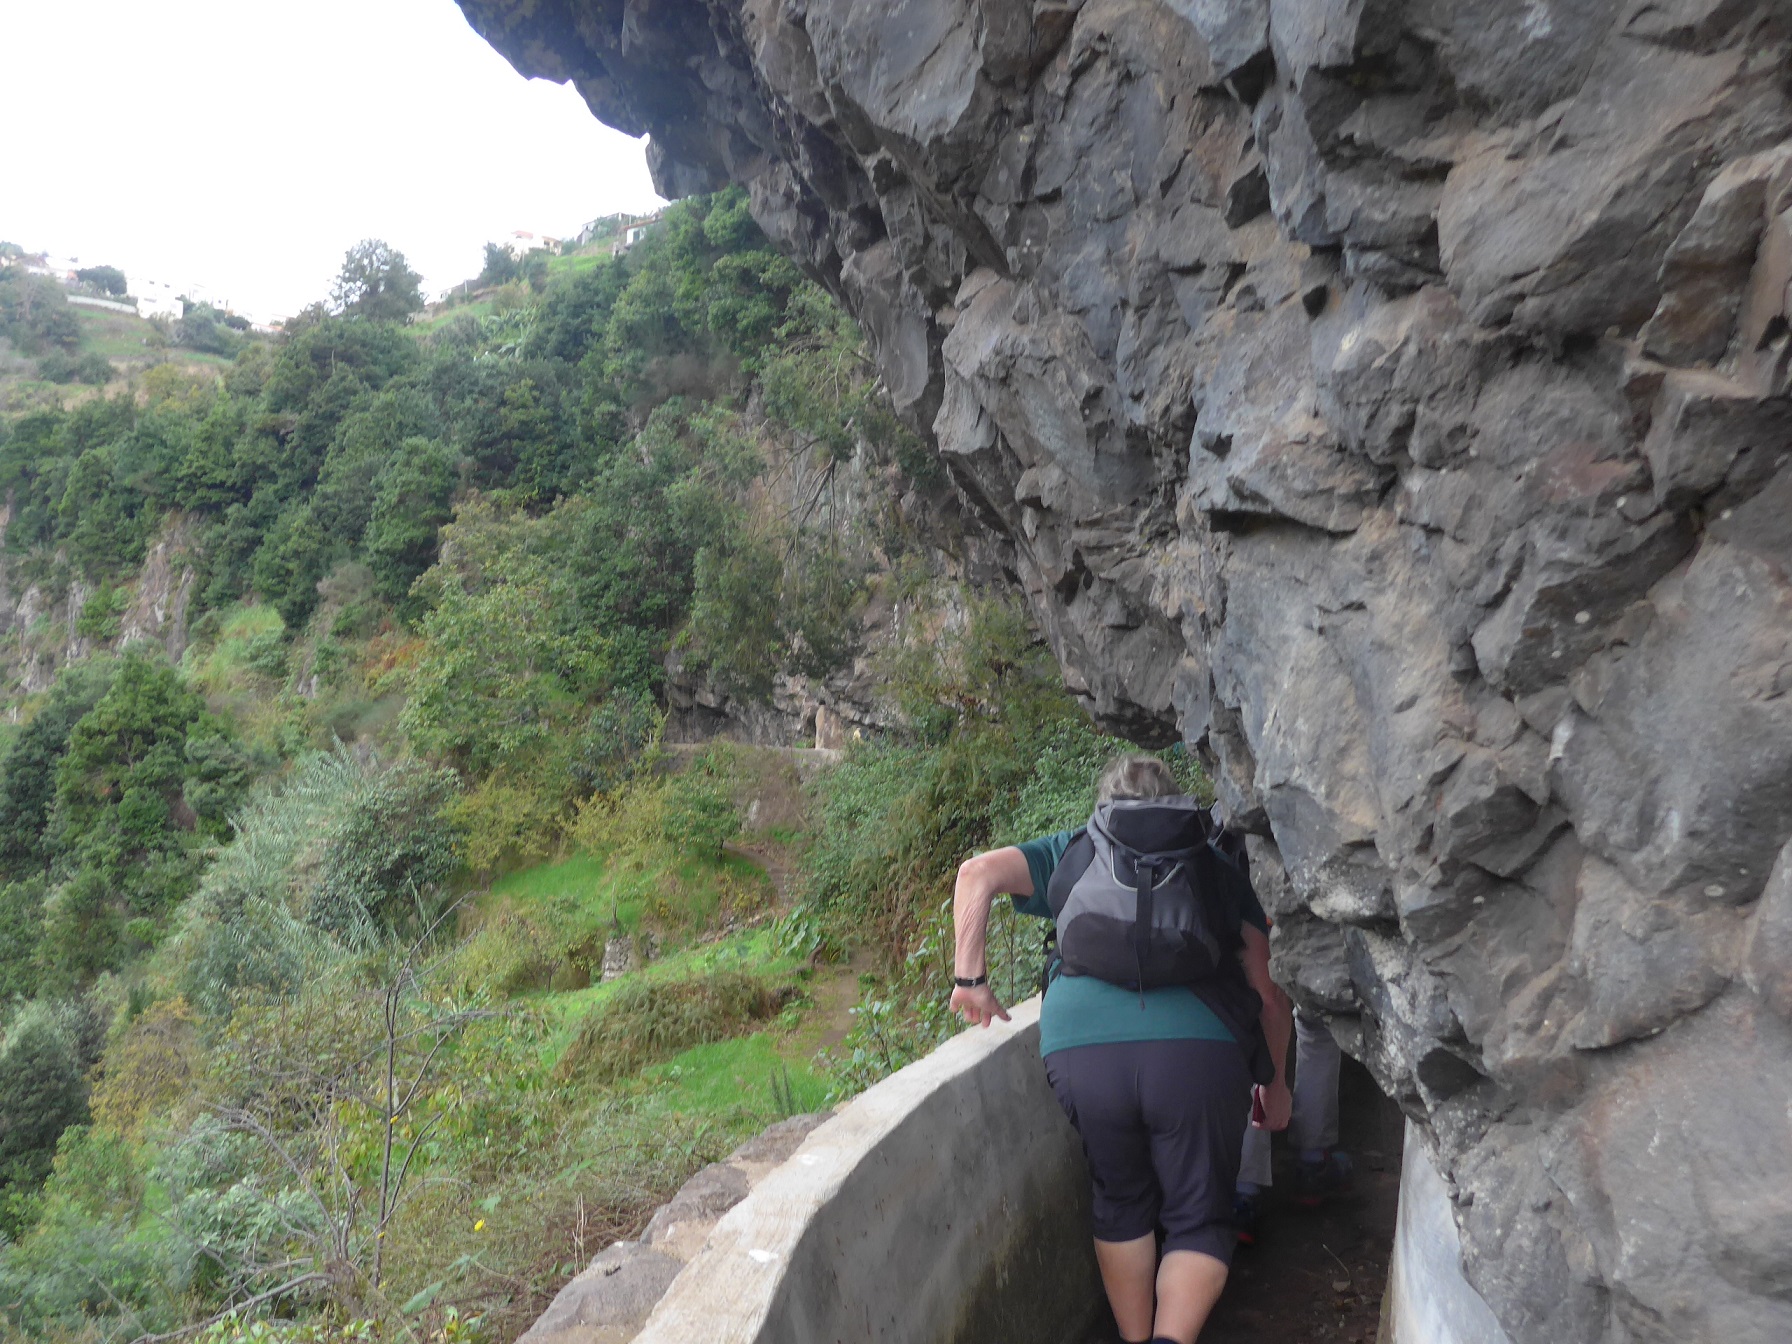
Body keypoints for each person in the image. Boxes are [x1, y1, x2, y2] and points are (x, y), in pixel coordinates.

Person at [948, 754, 1293, 1344]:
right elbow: (1267, 995)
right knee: (1199, 1216)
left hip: (1080, 1050)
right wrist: (1276, 1082)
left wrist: (971, 979)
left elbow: (975, 873)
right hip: (1199, 1053)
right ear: (1175, 803)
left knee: (1121, 1198)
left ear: (1103, 806)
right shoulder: (1215, 864)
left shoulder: (1074, 849)